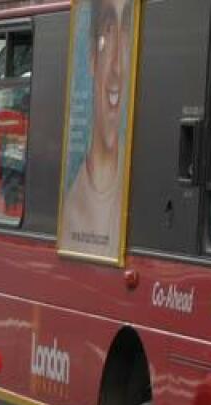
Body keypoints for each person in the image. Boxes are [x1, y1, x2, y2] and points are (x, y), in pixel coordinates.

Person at [60, 0, 132, 261]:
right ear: (92, 57)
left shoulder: (137, 186)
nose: (117, 67)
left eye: (125, 31)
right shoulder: (69, 211)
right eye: (109, 30)